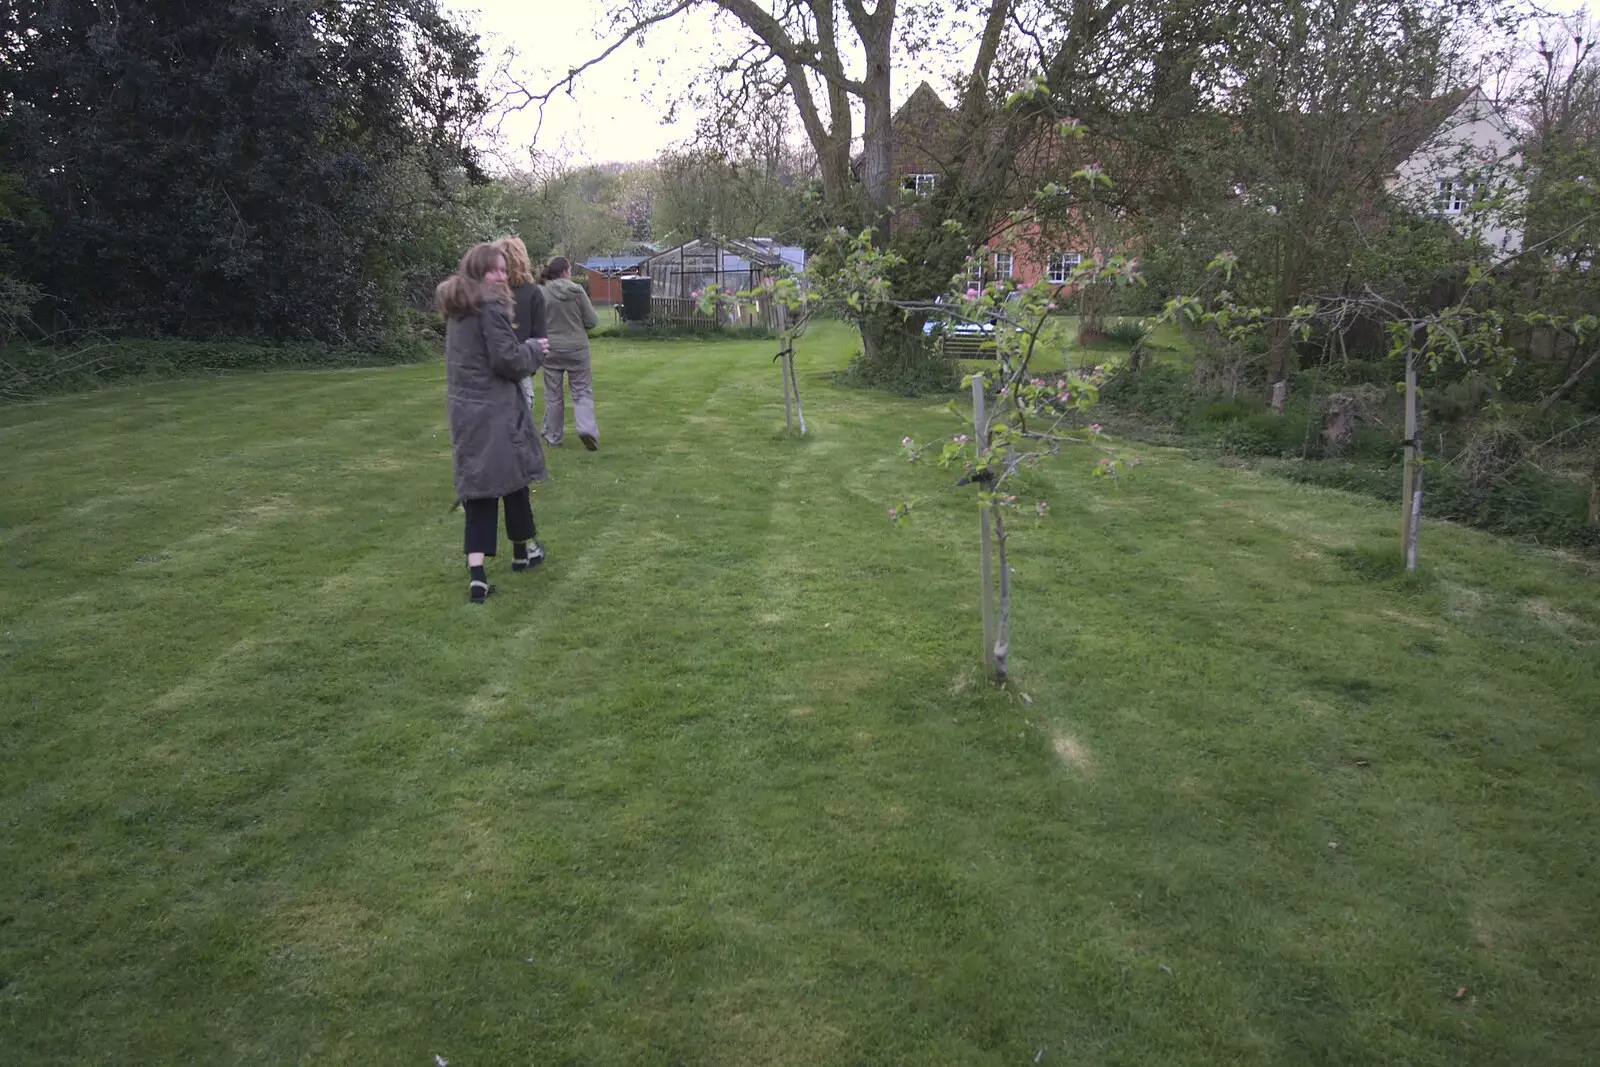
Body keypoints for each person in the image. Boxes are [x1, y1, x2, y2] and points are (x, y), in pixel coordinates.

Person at [436, 242, 548, 604]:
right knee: (511, 480)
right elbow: (507, 360)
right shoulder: (490, 304)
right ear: (477, 271)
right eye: (493, 270)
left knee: (482, 486)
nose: (501, 276)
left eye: (503, 269)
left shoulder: (459, 306)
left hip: (465, 410)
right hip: (494, 407)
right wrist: (535, 349)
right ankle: (519, 552)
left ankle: (483, 573)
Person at [538, 256, 601, 451]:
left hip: (551, 348)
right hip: (577, 348)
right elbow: (591, 321)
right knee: (582, 390)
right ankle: (586, 429)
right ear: (565, 271)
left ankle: (553, 436)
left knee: (553, 395)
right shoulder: (577, 291)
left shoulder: (541, 292)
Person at [493, 236, 548, 417]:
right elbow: (540, 340)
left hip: (491, 369)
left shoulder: (489, 293)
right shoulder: (533, 293)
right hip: (520, 368)